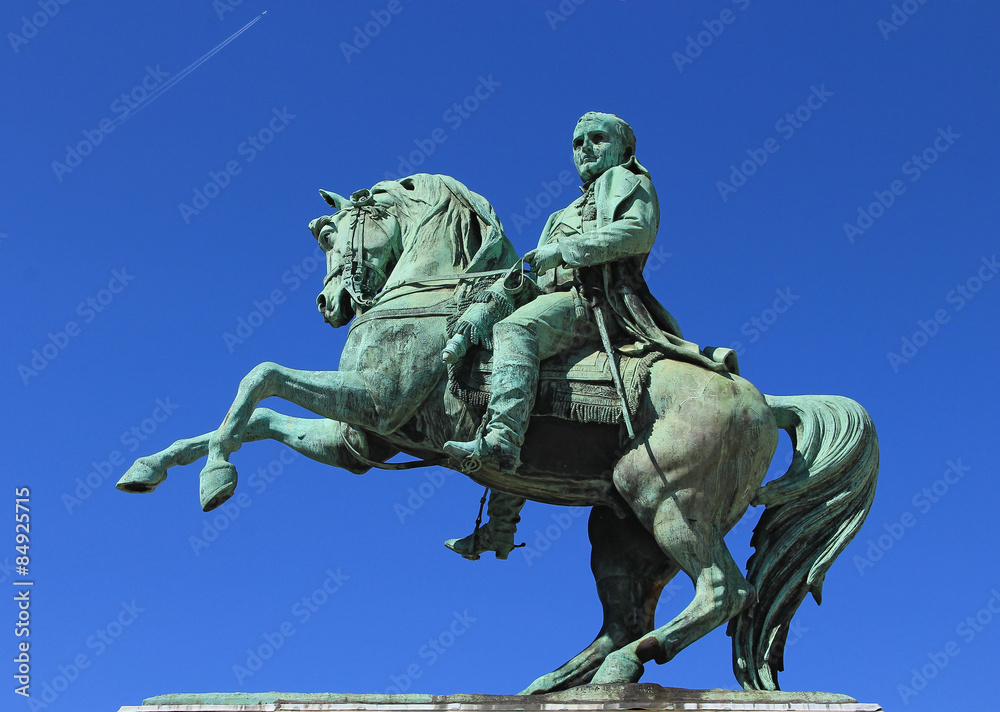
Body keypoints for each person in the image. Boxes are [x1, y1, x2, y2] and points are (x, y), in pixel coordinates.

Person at [443, 112, 729, 559]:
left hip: (594, 302)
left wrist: (564, 250)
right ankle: (500, 527)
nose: (586, 149)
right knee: (515, 377)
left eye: (598, 139)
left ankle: (500, 439)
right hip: (555, 301)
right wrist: (488, 305)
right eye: (578, 143)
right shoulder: (561, 213)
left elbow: (637, 232)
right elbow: (533, 277)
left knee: (516, 331)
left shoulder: (629, 181)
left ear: (623, 149)